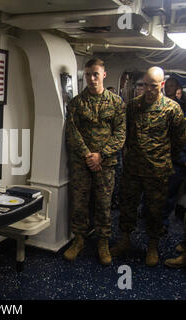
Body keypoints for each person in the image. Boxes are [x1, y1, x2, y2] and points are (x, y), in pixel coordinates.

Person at [111, 67, 186, 267]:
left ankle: (152, 247)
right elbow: (124, 133)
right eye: (146, 85)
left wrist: (164, 158)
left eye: (154, 86)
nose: (149, 89)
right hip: (133, 169)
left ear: (162, 85)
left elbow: (179, 140)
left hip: (158, 171)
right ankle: (125, 240)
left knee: (155, 211)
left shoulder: (172, 109)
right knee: (127, 207)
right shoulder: (133, 106)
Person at [64, 58, 126, 266]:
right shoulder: (76, 103)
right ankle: (79, 239)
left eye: (95, 74)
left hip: (105, 164)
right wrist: (88, 156)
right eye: (88, 74)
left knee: (103, 204)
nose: (91, 79)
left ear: (104, 74)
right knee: (79, 203)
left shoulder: (116, 102)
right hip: (82, 163)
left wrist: (101, 155)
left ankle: (103, 242)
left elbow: (120, 134)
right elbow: (72, 133)